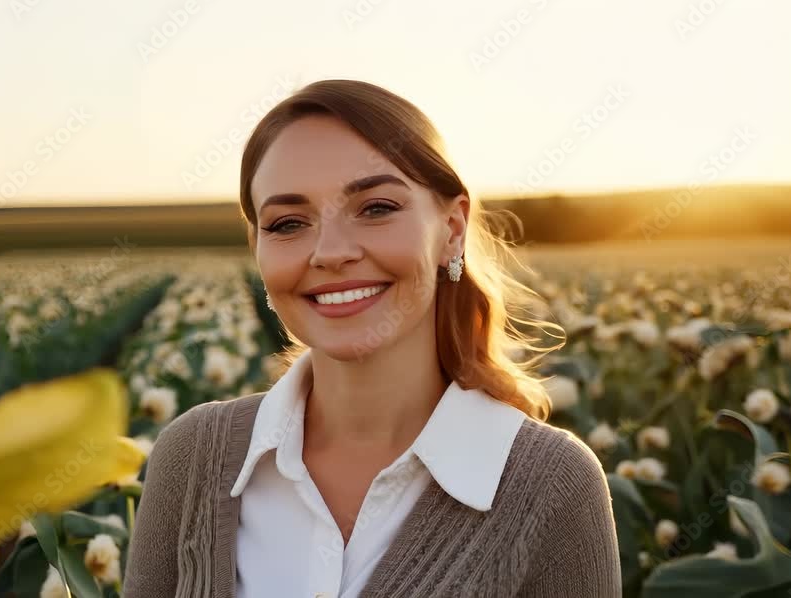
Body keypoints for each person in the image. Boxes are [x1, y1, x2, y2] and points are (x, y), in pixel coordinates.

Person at [123, 79, 621, 597]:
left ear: (451, 229)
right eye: (288, 223)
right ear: (259, 250)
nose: (331, 252)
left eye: (376, 208)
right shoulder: (190, 457)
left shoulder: (554, 486)